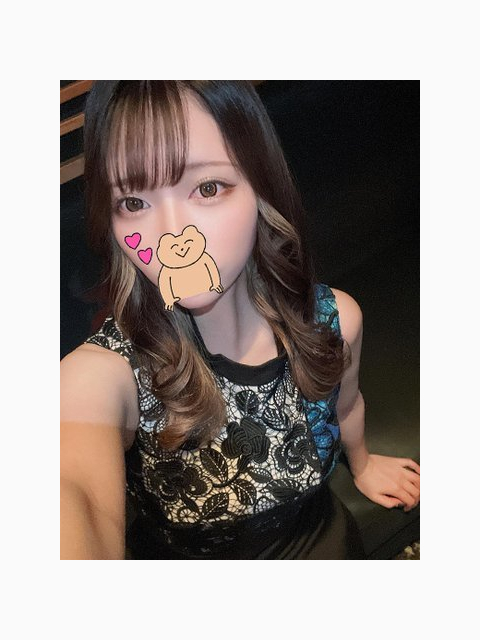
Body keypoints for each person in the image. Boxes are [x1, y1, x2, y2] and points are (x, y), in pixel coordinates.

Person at [60, 80, 420, 560]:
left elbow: (347, 407)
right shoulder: (107, 375)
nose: (171, 235)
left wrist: (363, 464)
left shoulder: (334, 321)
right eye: (134, 203)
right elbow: (70, 489)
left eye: (207, 188)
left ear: (261, 189)